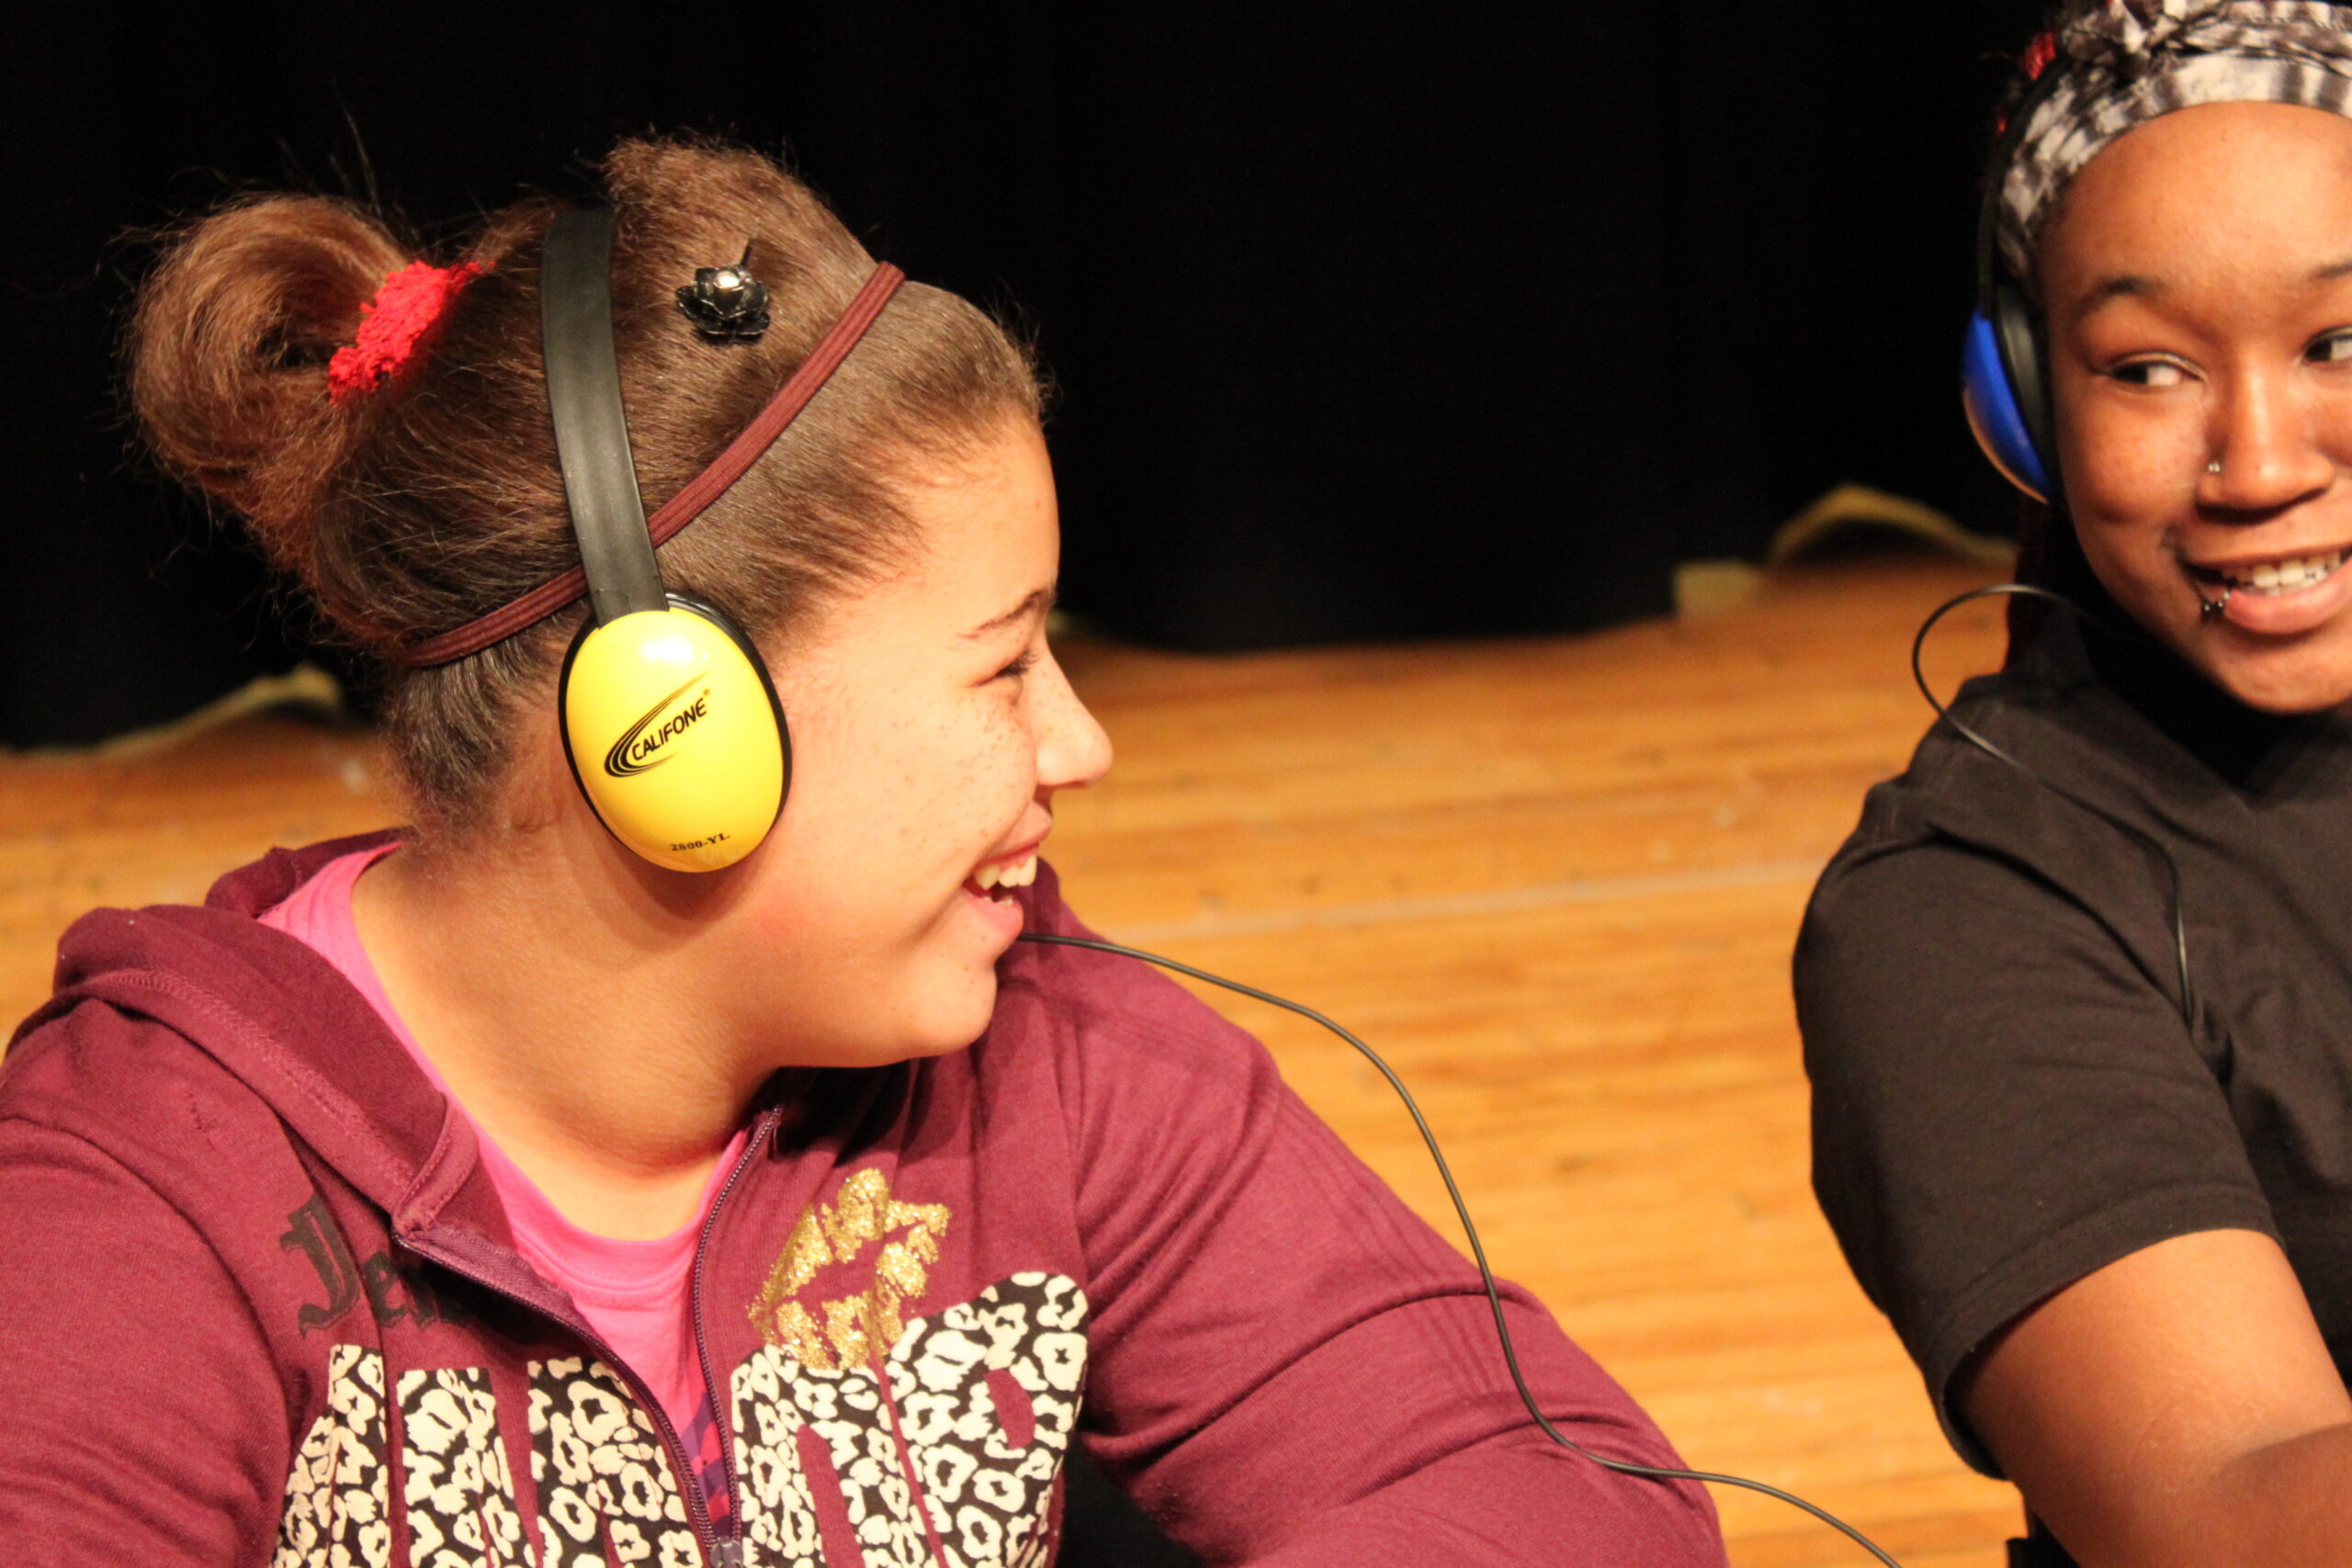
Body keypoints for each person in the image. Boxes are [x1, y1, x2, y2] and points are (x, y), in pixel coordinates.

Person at [0, 138, 1723, 1568]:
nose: (1080, 745)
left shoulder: (1039, 1052)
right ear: (668, 727)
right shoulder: (149, 1184)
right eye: (1001, 666)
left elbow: (1569, 1500)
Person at [1795, 4, 2352, 1564]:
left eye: (2340, 343)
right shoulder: (1960, 915)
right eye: (2152, 367)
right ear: (2022, 406)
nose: (2256, 464)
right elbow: (2225, 1518)